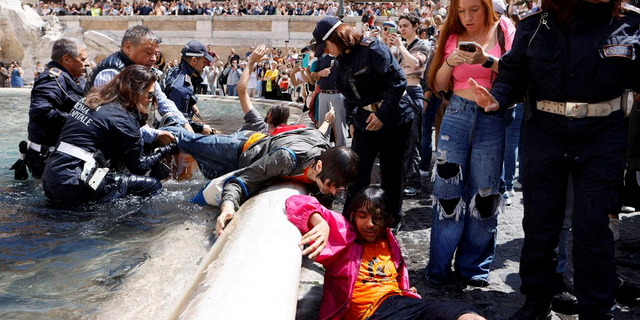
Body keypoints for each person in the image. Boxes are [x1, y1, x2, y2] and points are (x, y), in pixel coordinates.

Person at [468, 1, 640, 319]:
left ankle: (598, 309)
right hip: (545, 135)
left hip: (603, 138)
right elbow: (511, 76)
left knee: (593, 228)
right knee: (539, 226)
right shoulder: (536, 24)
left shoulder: (631, 22)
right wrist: (497, 98)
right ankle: (537, 304)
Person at [285, 186, 486, 320]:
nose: (370, 224)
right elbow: (295, 201)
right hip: (371, 313)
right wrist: (320, 222)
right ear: (353, 216)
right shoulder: (345, 234)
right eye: (363, 216)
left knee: (467, 316)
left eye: (378, 218)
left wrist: (407, 291)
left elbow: (398, 280)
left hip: (404, 305)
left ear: (387, 220)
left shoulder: (389, 241)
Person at [424, 0, 515, 288]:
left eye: (473, 10)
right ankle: (438, 266)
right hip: (456, 117)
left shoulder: (504, 28)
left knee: (484, 194)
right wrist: (451, 62)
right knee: (447, 193)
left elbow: (515, 72)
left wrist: (485, 60)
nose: (467, 17)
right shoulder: (451, 34)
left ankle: (473, 267)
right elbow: (438, 84)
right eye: (461, 11)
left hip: (492, 117)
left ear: (487, 6)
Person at [312, 16, 415, 228]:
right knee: (357, 172)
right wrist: (351, 120)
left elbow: (398, 82)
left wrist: (382, 115)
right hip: (365, 120)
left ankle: (390, 220)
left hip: (394, 118)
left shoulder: (373, 49)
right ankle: (349, 220)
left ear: (337, 37)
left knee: (391, 173)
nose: (326, 51)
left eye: (327, 45)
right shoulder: (341, 61)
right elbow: (349, 96)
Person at [41, 65, 177, 203]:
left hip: (50, 178)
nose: (151, 100)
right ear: (136, 91)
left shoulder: (88, 100)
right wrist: (167, 149)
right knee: (153, 185)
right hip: (75, 184)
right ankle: (132, 223)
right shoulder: (124, 118)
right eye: (149, 94)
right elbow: (139, 166)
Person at [85, 24, 192, 145]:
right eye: (148, 53)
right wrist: (155, 136)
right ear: (128, 47)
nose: (153, 59)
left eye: (156, 54)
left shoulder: (142, 69)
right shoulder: (111, 72)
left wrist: (185, 125)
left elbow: (162, 101)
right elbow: (111, 120)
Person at [21, 38, 88, 179]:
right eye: (82, 59)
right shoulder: (52, 79)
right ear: (66, 59)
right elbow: (40, 111)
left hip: (63, 156)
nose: (86, 63)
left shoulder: (74, 79)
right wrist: (78, 121)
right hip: (48, 158)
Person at [387, 13, 432, 197]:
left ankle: (413, 181)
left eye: (405, 25)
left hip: (413, 93)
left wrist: (399, 46)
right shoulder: (403, 46)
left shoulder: (422, 44)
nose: (402, 29)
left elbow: (416, 65)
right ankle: (402, 178)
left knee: (412, 140)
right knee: (399, 140)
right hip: (399, 94)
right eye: (400, 26)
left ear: (415, 26)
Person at [160, 40, 214, 134]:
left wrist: (191, 104)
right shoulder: (181, 87)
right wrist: (200, 128)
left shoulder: (176, 71)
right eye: (204, 61)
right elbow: (176, 121)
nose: (205, 65)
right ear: (194, 60)